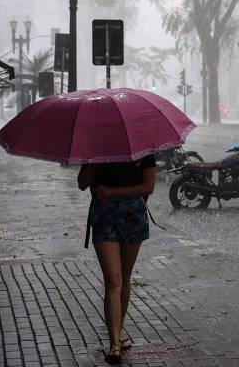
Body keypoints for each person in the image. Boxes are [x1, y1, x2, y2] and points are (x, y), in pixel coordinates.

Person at [77, 155, 156, 364]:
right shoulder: (95, 149)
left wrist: (114, 191)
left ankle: (119, 329)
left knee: (125, 276)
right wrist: (92, 163)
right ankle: (114, 344)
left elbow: (149, 186)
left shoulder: (142, 148)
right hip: (104, 216)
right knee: (113, 280)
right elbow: (81, 184)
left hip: (133, 216)